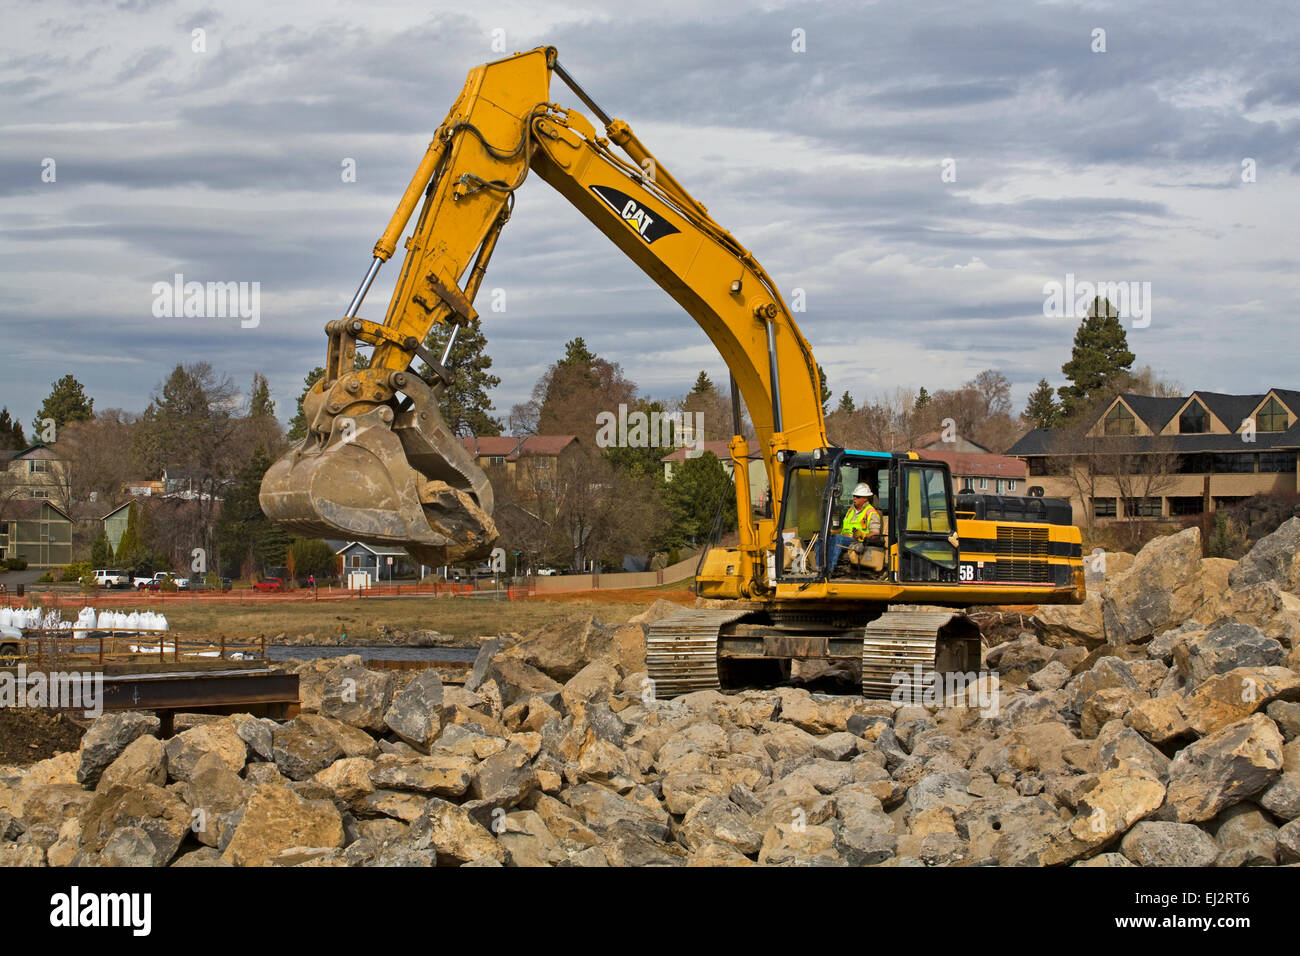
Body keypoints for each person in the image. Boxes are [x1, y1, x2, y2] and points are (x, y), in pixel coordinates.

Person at [826, 482, 883, 575]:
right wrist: (832, 532)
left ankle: (828, 570)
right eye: (854, 496)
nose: (854, 498)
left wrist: (863, 535)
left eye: (858, 496)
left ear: (865, 499)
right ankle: (818, 568)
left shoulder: (871, 513)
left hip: (857, 540)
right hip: (845, 538)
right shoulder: (850, 510)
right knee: (822, 539)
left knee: (838, 538)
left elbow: (876, 534)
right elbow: (844, 529)